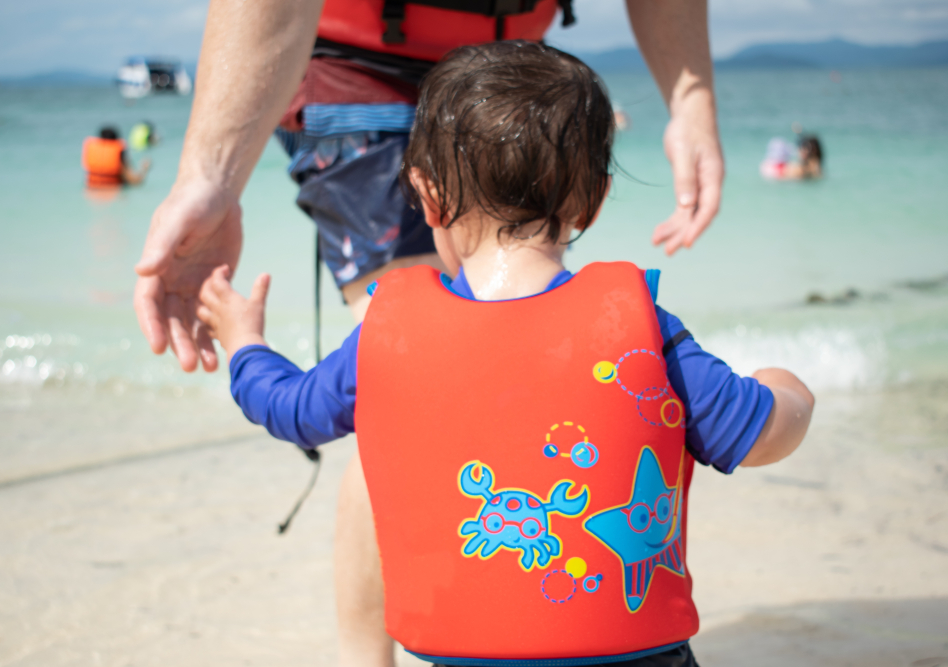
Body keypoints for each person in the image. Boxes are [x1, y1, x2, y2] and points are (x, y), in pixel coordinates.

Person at [134, 2, 725, 665]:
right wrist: (210, 174)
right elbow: (752, 423)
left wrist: (691, 96)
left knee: (398, 352)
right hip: (355, 70)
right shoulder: (657, 335)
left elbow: (294, 408)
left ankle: (513, 631)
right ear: (593, 202)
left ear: (428, 200)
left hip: (515, 82)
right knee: (400, 352)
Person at [82, 126, 150, 188]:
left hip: (91, 192)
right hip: (114, 193)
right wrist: (145, 169)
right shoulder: (119, 150)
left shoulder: (92, 148)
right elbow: (134, 181)